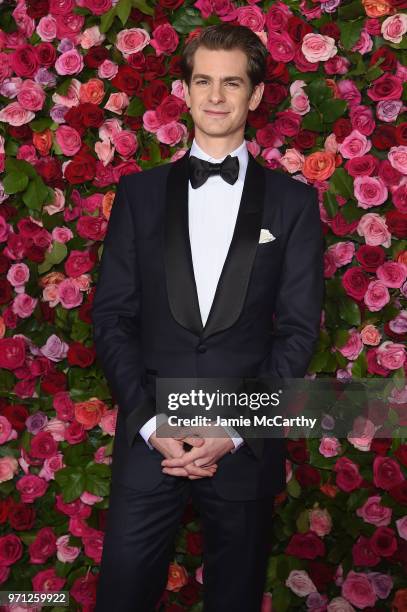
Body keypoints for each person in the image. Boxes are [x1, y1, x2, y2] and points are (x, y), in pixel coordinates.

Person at [92, 23, 324, 612]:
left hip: (242, 447)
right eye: (204, 82)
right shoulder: (139, 195)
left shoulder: (293, 204)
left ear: (255, 95)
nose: (216, 96)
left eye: (231, 83)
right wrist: (150, 425)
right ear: (185, 91)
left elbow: (297, 331)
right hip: (151, 442)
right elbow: (113, 319)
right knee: (121, 596)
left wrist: (234, 427)